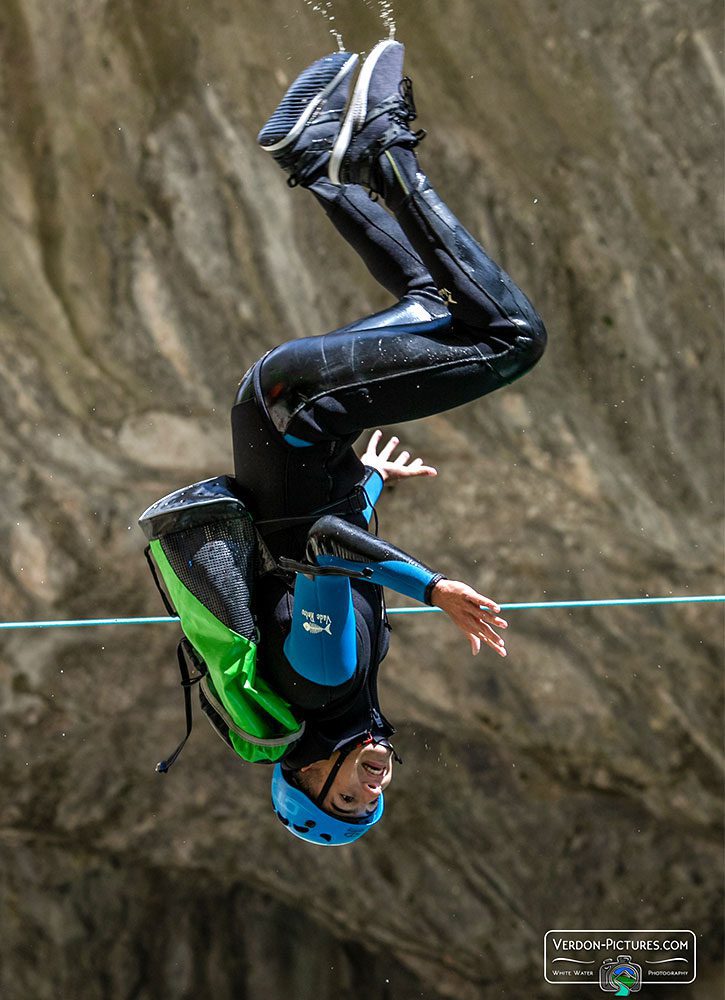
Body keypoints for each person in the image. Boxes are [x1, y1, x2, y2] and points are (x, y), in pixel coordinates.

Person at [231, 40, 547, 845]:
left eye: (345, 799)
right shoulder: (342, 684)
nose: (374, 787)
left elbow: (324, 551)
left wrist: (431, 586)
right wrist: (368, 483)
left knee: (509, 337)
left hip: (294, 412)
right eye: (371, 804)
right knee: (431, 297)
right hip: (296, 423)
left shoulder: (321, 681)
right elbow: (311, 533)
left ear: (305, 771)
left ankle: (380, 145)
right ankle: (309, 155)